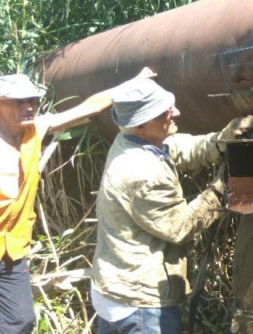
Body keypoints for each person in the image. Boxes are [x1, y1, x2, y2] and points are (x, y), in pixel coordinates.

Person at [91, 78, 253, 333]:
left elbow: (178, 147)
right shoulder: (142, 172)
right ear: (141, 125)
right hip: (140, 304)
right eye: (166, 111)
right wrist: (225, 185)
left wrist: (221, 141)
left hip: (117, 288)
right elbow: (181, 227)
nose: (176, 112)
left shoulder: (131, 141)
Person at [0, 67, 154, 333]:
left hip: (11, 251)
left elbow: (89, 107)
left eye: (32, 100)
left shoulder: (35, 130)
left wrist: (133, 83)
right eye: (18, 101)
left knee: (20, 321)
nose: (28, 107)